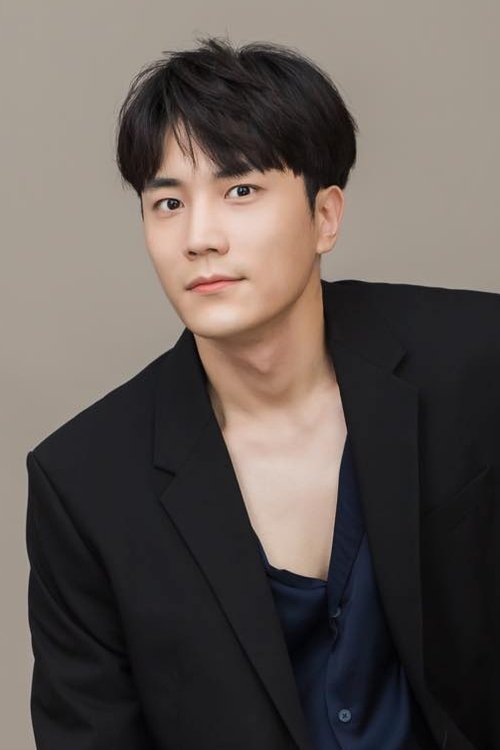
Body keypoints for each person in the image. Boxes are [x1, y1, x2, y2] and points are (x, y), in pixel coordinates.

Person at [25, 35, 499, 750]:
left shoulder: (477, 361)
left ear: (325, 217)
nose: (199, 237)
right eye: (167, 203)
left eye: (240, 191)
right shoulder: (85, 485)